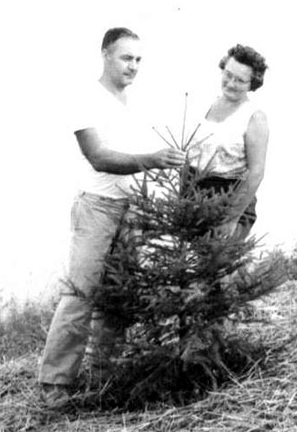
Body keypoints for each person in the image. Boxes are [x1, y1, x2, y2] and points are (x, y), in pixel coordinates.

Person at [38, 27, 185, 408]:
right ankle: (55, 381)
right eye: (126, 58)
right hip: (97, 207)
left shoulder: (133, 102)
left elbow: (140, 151)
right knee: (81, 294)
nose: (133, 67)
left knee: (120, 295)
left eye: (138, 60)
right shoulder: (84, 98)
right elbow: (99, 157)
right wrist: (152, 159)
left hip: (131, 207)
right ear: (105, 54)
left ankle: (106, 372)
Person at [185, 44, 269, 241]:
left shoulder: (254, 117)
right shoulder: (205, 105)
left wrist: (231, 218)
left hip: (230, 198)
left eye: (240, 80)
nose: (231, 83)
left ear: (252, 83)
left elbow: (256, 173)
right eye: (228, 75)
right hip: (194, 197)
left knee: (217, 264)